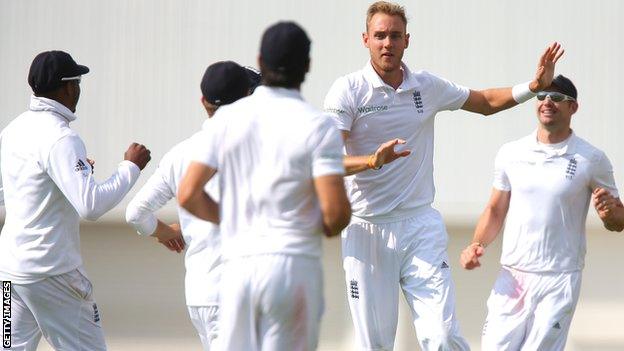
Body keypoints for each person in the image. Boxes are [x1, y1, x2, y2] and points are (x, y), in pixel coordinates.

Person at [323, 1, 565, 350]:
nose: (387, 43)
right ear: (365, 40)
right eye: (379, 36)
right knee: (374, 345)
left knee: (441, 337)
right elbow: (326, 161)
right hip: (367, 230)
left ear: (407, 40)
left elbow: (483, 102)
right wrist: (372, 161)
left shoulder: (426, 86)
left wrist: (532, 85)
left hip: (420, 225)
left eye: (394, 36)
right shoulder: (347, 90)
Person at [178, 21, 351, 351]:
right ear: (308, 66)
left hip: (237, 266)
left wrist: (232, 221)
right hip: (293, 265)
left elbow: (188, 194)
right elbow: (335, 214)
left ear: (260, 61)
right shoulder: (318, 125)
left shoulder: (227, 119)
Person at [0, 50, 151, 351]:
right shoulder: (62, 138)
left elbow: (12, 190)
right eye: (78, 83)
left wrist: (64, 181)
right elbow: (91, 206)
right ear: (68, 87)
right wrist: (130, 168)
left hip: (9, 273)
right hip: (53, 273)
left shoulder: (13, 130)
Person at [460, 75, 623, 350]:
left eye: (558, 98)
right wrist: (477, 244)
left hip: (559, 279)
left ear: (573, 107)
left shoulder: (591, 159)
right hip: (513, 275)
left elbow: (618, 221)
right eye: (542, 96)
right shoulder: (511, 152)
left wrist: (609, 215)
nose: (548, 102)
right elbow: (495, 209)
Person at [125, 61, 259, 350]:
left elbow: (135, 213)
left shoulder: (180, 154)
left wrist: (165, 232)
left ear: (203, 101)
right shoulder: (256, 150)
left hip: (200, 293)